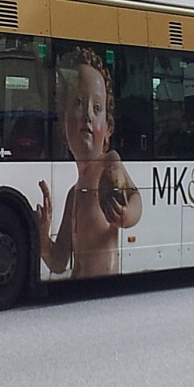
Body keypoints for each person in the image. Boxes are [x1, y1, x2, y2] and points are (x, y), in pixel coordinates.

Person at [36, 46, 143, 279]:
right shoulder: (73, 195)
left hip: (104, 285)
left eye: (97, 108)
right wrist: (43, 238)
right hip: (80, 286)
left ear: (108, 129)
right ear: (63, 122)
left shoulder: (109, 164)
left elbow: (135, 196)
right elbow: (60, 261)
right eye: (77, 103)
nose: (87, 115)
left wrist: (126, 215)